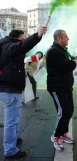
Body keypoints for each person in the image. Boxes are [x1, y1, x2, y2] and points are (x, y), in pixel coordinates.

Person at [0, 28, 47, 159]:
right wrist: (37, 35)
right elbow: (22, 46)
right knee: (11, 120)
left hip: (6, 86)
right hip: (10, 88)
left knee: (12, 119)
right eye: (23, 36)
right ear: (19, 37)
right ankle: (10, 150)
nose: (24, 38)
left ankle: (14, 139)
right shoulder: (9, 46)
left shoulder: (3, 44)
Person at [46, 29, 77, 151]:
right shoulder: (54, 51)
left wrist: (73, 60)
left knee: (69, 111)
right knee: (64, 112)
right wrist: (74, 62)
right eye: (66, 36)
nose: (68, 38)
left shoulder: (61, 50)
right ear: (59, 38)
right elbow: (65, 67)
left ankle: (63, 133)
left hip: (65, 86)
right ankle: (56, 136)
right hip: (58, 87)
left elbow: (65, 65)